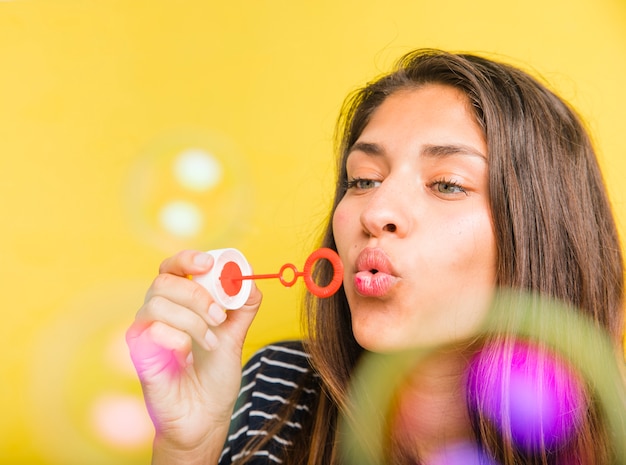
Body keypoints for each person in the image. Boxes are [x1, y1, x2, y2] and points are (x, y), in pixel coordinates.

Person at [126, 49, 626, 464]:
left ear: (540, 230)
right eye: (363, 179)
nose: (376, 210)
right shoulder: (274, 391)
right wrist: (189, 446)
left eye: (448, 184)